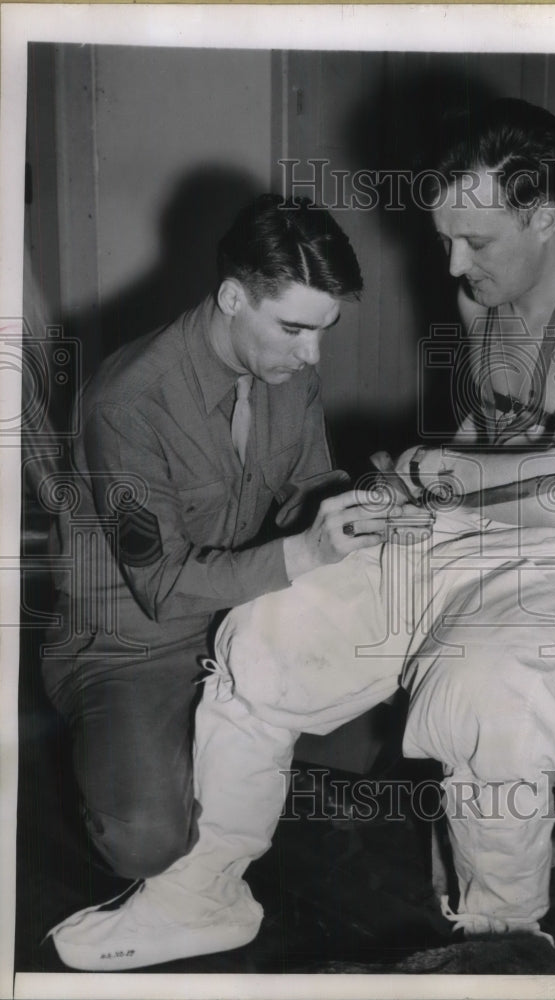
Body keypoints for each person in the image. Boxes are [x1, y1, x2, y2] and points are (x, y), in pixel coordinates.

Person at [50, 99, 555, 970]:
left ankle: (504, 939)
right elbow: (497, 431)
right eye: (445, 237)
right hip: (469, 527)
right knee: (267, 633)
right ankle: (204, 894)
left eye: (477, 241)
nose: (454, 263)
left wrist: (439, 472)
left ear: (541, 216)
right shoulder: (480, 301)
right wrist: (401, 490)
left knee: (481, 692)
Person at [44, 193, 397, 944]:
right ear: (233, 297)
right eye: (294, 329)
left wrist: (373, 499)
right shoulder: (128, 402)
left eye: (323, 331)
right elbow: (164, 585)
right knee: (147, 841)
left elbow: (306, 486)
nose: (311, 357)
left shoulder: (286, 370)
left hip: (233, 610)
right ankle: (126, 761)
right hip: (128, 642)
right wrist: (305, 553)